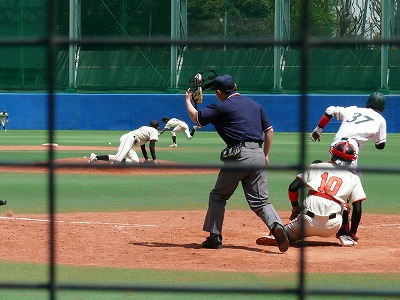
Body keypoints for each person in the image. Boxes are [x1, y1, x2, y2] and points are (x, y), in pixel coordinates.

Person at [184, 74, 289, 252]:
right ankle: (276, 226)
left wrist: (187, 100)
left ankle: (215, 236)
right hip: (257, 155)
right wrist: (266, 155)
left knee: (218, 196)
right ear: (235, 86)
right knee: (261, 202)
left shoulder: (221, 106)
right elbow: (269, 131)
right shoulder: (255, 105)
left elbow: (197, 118)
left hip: (238, 155)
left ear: (218, 92)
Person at [256, 141, 366, 248]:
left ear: (332, 154)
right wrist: (353, 232)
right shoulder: (354, 178)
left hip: (307, 222)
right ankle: (345, 236)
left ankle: (281, 236)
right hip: (332, 226)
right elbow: (357, 209)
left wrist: (295, 207)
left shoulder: (316, 166)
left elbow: (293, 188)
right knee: (345, 206)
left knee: (282, 232)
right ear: (351, 160)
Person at [310, 92, 387, 170]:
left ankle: (320, 166)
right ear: (382, 108)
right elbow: (380, 145)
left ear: (367, 103)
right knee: (350, 178)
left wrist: (318, 130)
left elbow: (330, 111)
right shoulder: (380, 120)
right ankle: (319, 167)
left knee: (337, 171)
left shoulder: (353, 109)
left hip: (336, 145)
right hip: (350, 149)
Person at [88, 120, 160, 164]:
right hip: (128, 139)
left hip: (130, 141)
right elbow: (151, 146)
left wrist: (146, 159)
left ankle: (114, 163)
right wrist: (154, 159)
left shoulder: (146, 128)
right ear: (158, 127)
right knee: (118, 158)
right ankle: (95, 157)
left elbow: (142, 145)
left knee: (135, 162)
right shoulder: (154, 131)